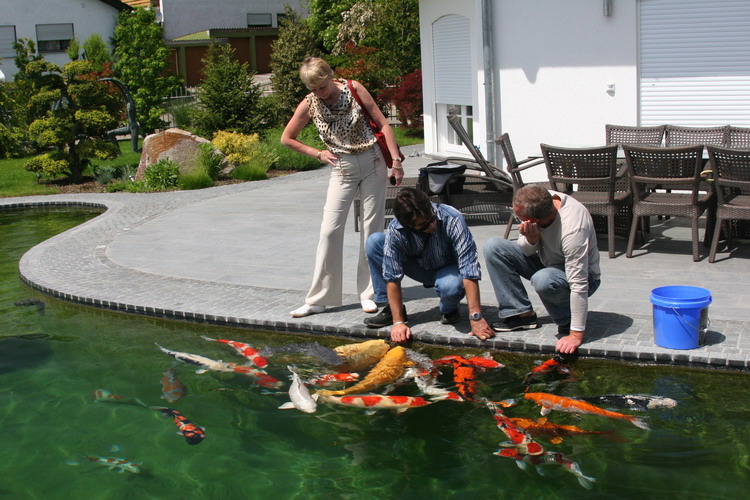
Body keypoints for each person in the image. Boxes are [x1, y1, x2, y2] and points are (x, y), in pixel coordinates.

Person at [281, 57, 404, 318]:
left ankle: (370, 293)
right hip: (342, 167)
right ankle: (319, 299)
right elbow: (287, 138)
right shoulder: (309, 103)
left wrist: (395, 161)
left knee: (372, 230)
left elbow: (383, 123)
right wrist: (317, 153)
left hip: (373, 161)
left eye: (322, 87)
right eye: (313, 89)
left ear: (331, 76)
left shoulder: (354, 89)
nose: (320, 94)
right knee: (329, 231)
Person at [364, 187, 495, 343]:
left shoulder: (452, 218)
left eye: (431, 219)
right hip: (418, 266)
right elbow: (392, 277)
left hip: (448, 269)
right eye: (423, 225)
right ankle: (392, 309)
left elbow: (469, 268)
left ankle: (449, 308)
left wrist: (476, 317)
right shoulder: (396, 229)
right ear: (408, 225)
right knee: (375, 242)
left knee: (449, 286)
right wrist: (398, 323)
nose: (432, 226)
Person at [483, 185, 601, 354]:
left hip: (584, 277)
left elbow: (579, 284)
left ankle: (566, 322)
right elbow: (526, 251)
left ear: (535, 220)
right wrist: (532, 239)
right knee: (494, 246)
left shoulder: (573, 229)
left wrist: (576, 334)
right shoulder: (541, 199)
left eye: (519, 217)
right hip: (548, 262)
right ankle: (521, 315)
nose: (518, 219)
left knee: (543, 279)